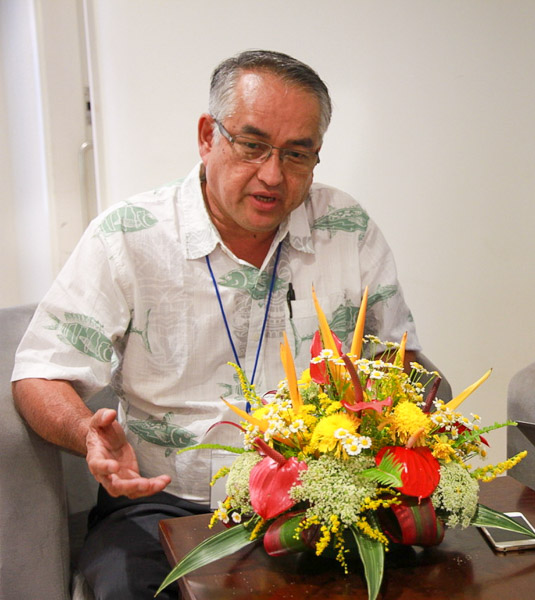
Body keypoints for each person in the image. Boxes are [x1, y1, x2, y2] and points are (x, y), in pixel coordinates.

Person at [11, 50, 421, 599]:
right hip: (161, 504)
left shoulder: (347, 229)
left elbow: (400, 363)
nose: (272, 175)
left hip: (317, 500)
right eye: (252, 146)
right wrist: (87, 431)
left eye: (297, 154)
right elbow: (40, 372)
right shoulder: (128, 237)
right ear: (208, 136)